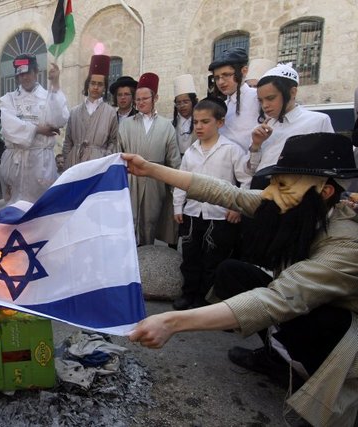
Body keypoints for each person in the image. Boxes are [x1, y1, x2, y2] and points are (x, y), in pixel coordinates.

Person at [123, 132, 358, 426]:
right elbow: (227, 193)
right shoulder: (296, 203)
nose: (269, 193)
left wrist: (172, 322)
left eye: (281, 184)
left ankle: (315, 380)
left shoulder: (345, 246)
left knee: (315, 318)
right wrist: (150, 169)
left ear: (324, 192)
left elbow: (278, 299)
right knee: (232, 273)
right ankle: (276, 358)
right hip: (295, 303)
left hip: (340, 335)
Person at [172, 98, 250, 310]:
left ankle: (205, 301)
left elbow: (245, 180)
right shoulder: (190, 152)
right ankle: (188, 294)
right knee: (190, 258)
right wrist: (178, 206)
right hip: (193, 213)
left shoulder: (232, 150)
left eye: (205, 121)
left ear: (220, 122)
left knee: (213, 260)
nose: (199, 126)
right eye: (196, 122)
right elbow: (181, 180)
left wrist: (237, 206)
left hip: (220, 215)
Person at [246, 63, 333, 189]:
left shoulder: (317, 121)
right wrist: (256, 145)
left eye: (270, 98)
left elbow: (329, 167)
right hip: (261, 194)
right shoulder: (265, 126)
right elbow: (252, 171)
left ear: (292, 92)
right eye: (261, 100)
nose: (265, 105)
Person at [118, 72, 181, 246]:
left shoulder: (166, 125)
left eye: (145, 98)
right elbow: (118, 153)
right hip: (131, 179)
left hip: (155, 181)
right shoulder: (126, 124)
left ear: (156, 98)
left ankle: (148, 259)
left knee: (150, 222)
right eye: (137, 100)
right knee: (129, 221)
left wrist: (176, 191)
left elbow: (173, 160)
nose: (140, 103)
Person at [0, 53, 69, 203]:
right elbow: (9, 127)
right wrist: (38, 129)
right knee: (13, 208)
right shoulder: (8, 99)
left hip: (40, 164)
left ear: (36, 72)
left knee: (40, 208)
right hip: (15, 164)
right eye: (21, 74)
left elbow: (60, 119)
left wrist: (55, 84)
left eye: (28, 73)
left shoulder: (48, 96)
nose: (25, 77)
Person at [62, 54, 118, 169]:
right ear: (88, 84)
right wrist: (68, 160)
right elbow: (68, 141)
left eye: (100, 84)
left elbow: (114, 141)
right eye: (93, 83)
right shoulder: (74, 112)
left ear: (104, 87)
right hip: (75, 163)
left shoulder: (110, 112)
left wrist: (104, 158)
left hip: (98, 165)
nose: (96, 87)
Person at [209, 47, 260, 152]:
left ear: (244, 71)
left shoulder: (258, 98)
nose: (221, 82)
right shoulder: (223, 106)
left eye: (226, 75)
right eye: (217, 77)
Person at [171, 74, 198, 156]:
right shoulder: (171, 125)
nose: (182, 106)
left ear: (193, 101)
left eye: (186, 102)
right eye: (178, 103)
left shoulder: (200, 123)